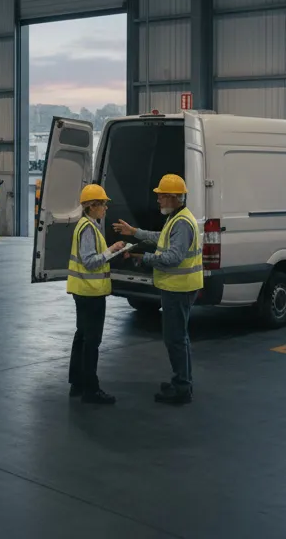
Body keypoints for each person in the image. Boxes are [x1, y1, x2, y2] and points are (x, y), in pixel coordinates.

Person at [113, 174, 203, 406]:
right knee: (177, 337)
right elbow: (160, 238)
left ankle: (182, 387)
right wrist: (134, 232)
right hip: (177, 287)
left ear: (174, 198)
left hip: (179, 288)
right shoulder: (177, 218)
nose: (159, 201)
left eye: (162, 196)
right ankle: (181, 381)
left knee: (175, 339)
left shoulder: (181, 223)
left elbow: (173, 257)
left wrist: (142, 258)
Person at [67, 183, 126, 405]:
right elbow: (90, 262)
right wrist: (111, 251)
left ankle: (77, 384)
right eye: (102, 204)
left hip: (83, 291)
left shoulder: (86, 225)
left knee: (82, 337)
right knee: (91, 341)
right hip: (90, 293)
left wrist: (111, 250)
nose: (105, 208)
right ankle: (91, 390)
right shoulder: (88, 229)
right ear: (92, 206)